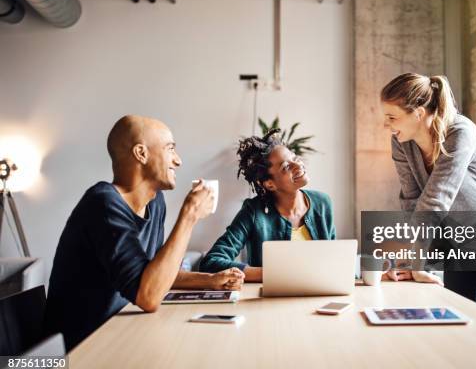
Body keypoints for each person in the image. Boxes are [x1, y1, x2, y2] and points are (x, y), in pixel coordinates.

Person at [45, 115, 244, 351]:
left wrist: (211, 281)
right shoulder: (103, 204)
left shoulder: (155, 201)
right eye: (170, 149)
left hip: (115, 336)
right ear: (141, 153)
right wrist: (189, 215)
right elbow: (148, 297)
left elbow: (153, 274)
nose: (178, 161)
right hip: (77, 351)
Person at [379, 73, 476, 322]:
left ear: (418, 113)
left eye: (392, 117)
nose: (386, 125)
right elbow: (411, 202)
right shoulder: (401, 142)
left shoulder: (460, 132)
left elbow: (435, 201)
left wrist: (417, 263)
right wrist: (408, 261)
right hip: (461, 242)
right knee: (454, 322)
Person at [198, 129, 335, 282]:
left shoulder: (323, 203)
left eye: (295, 158)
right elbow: (211, 262)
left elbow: (333, 261)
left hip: (319, 296)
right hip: (270, 302)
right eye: (286, 167)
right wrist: (271, 274)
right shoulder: (253, 212)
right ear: (270, 184)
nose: (298, 165)